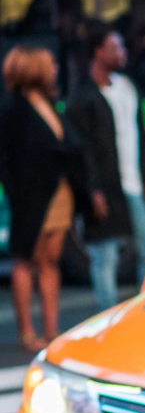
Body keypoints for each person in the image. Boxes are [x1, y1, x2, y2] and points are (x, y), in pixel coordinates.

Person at [65, 24, 145, 310]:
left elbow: (140, 135)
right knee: (105, 256)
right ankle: (108, 317)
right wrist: (92, 189)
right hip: (106, 187)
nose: (122, 53)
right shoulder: (82, 97)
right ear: (98, 52)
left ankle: (144, 308)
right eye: (115, 48)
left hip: (133, 182)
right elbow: (82, 151)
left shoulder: (128, 88)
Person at [0, 46, 88, 351]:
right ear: (33, 69)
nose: (54, 70)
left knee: (51, 260)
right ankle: (27, 332)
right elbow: (7, 158)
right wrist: (15, 191)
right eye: (49, 65)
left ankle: (51, 330)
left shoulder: (50, 104)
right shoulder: (13, 108)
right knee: (26, 260)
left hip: (58, 193)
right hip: (30, 196)